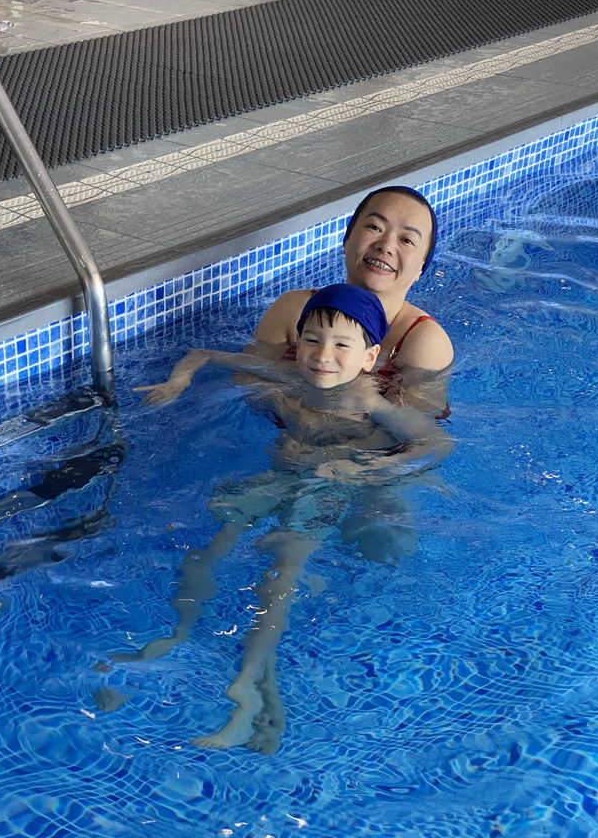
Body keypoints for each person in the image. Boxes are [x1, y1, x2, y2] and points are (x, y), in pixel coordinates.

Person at [108, 284, 451, 753]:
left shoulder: (372, 405)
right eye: (312, 339)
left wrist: (364, 466)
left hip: (325, 490)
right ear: (298, 342)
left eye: (341, 345)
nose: (322, 355)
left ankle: (247, 688)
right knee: (207, 551)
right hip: (279, 477)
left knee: (281, 574)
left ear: (370, 357)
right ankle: (173, 637)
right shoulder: (289, 377)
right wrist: (178, 381)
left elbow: (435, 444)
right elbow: (204, 353)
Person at [252, 186, 454, 383]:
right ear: (346, 241)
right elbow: (247, 383)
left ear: (421, 267)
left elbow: (416, 417)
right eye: (374, 227)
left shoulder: (424, 343)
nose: (385, 246)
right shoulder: (293, 309)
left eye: (407, 240)